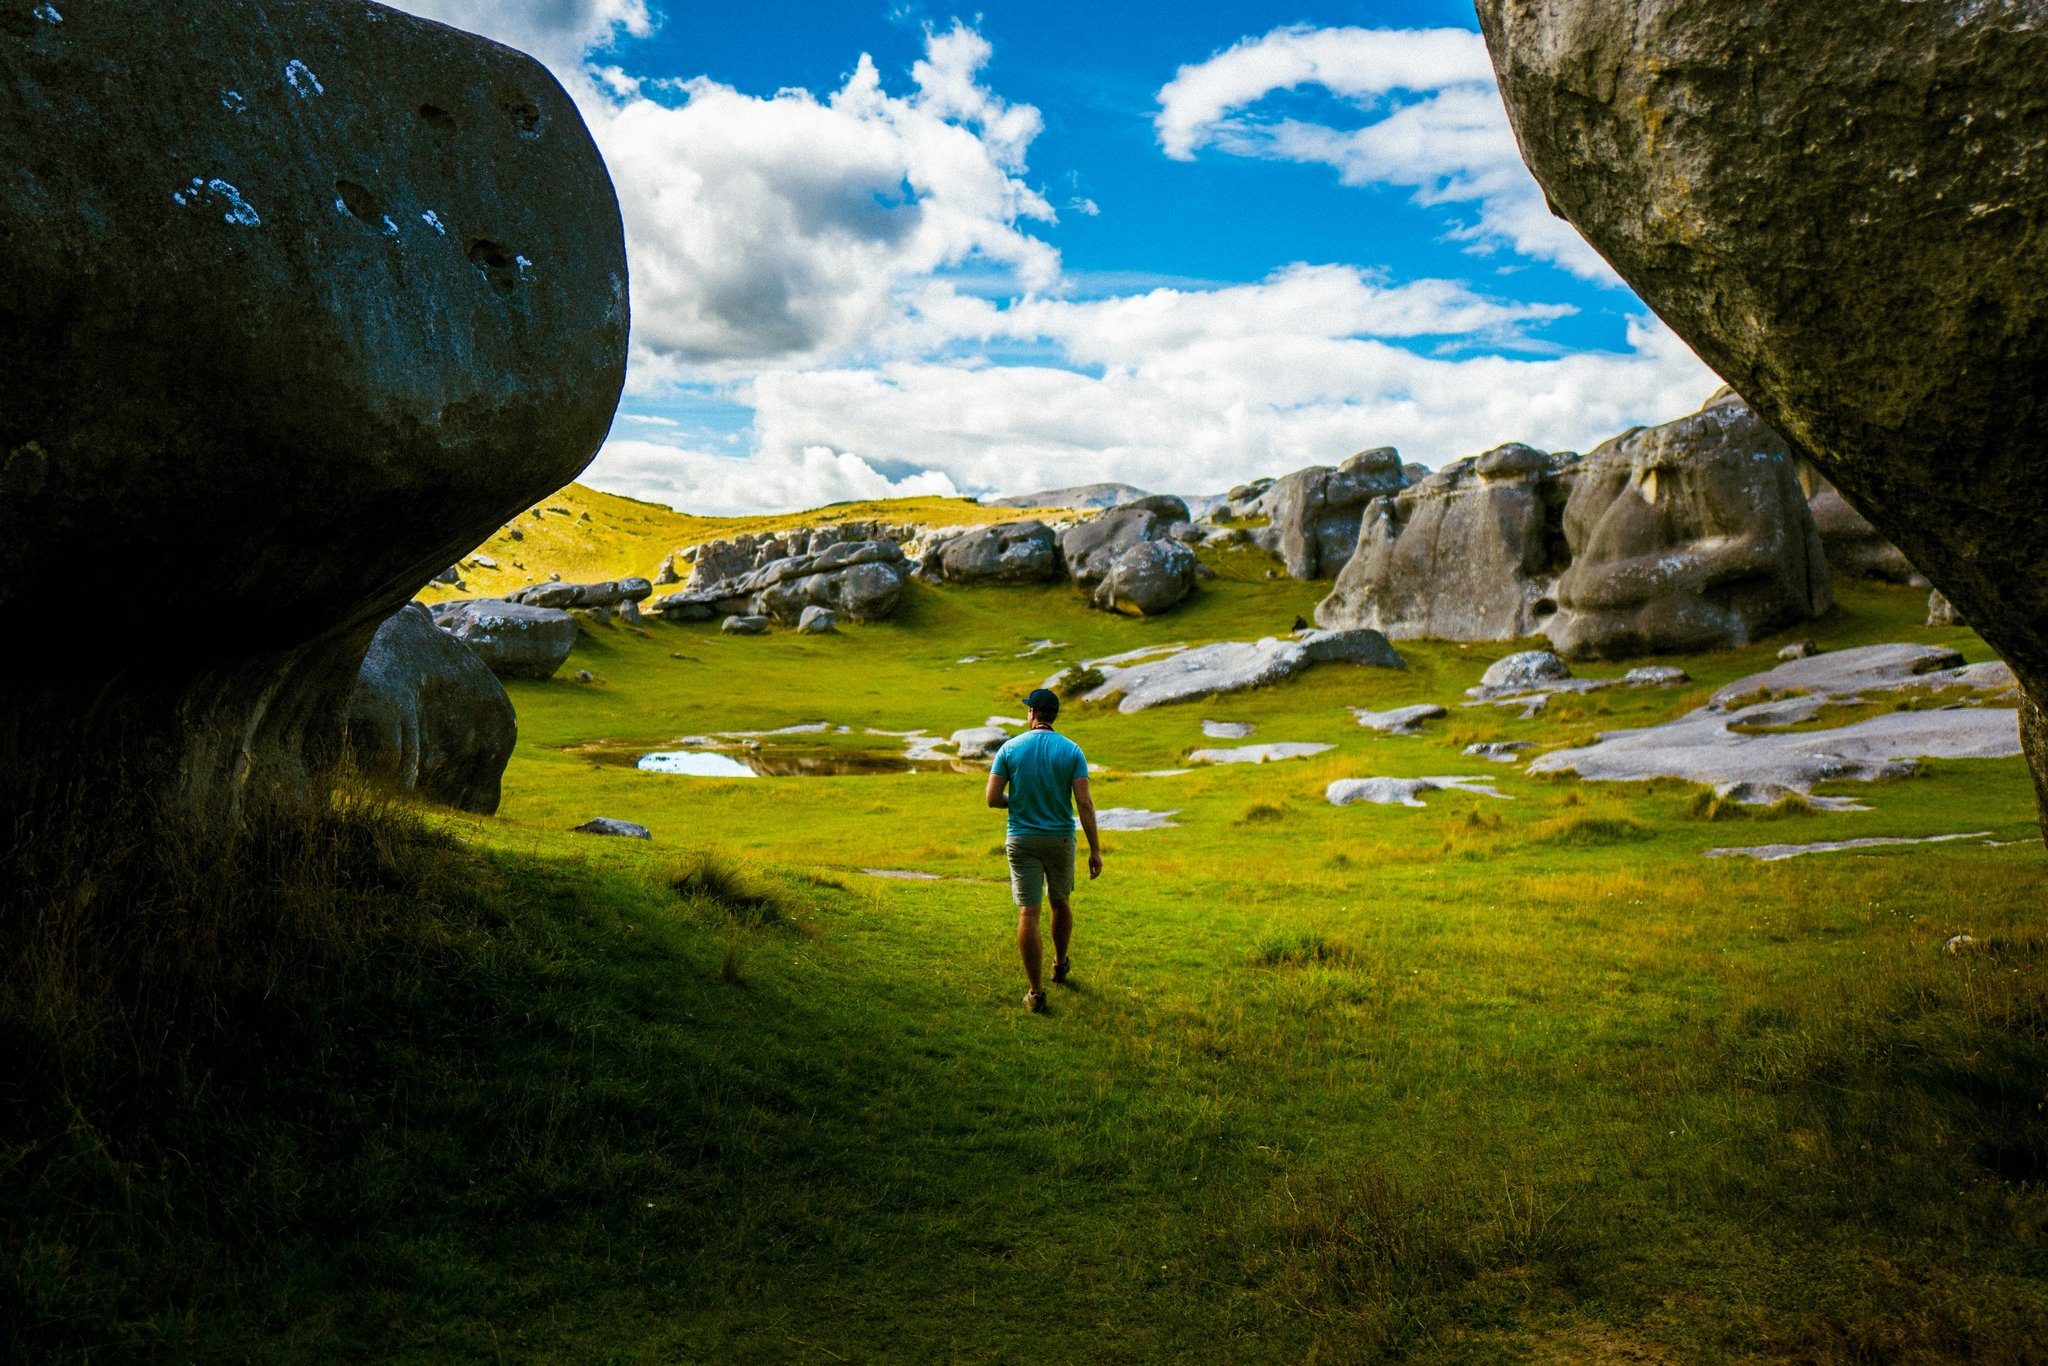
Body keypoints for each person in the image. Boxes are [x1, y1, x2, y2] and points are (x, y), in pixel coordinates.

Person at [985, 687, 1102, 1013]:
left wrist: (1017, 803)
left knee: (1028, 913)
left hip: (1021, 838)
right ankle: (1060, 964)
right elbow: (1084, 803)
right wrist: (1095, 850)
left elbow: (992, 798)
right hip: (1061, 839)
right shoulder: (1072, 751)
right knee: (1060, 901)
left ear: (1032, 713)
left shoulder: (1010, 748)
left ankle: (1036, 993)